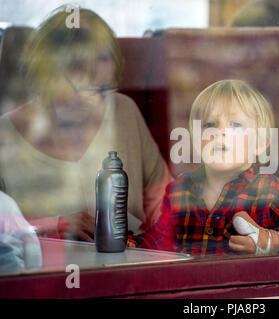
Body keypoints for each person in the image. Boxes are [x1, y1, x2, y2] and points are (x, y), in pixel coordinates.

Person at [0, 6, 171, 242]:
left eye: (101, 90)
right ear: (43, 77)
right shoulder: (4, 135)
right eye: (75, 90)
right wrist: (52, 226)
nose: (90, 103)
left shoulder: (123, 110)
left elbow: (164, 205)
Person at [128, 79, 279, 256]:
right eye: (209, 125)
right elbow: (161, 240)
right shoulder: (179, 190)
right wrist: (134, 244)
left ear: (260, 143)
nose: (220, 132)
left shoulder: (271, 191)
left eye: (235, 125)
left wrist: (273, 240)